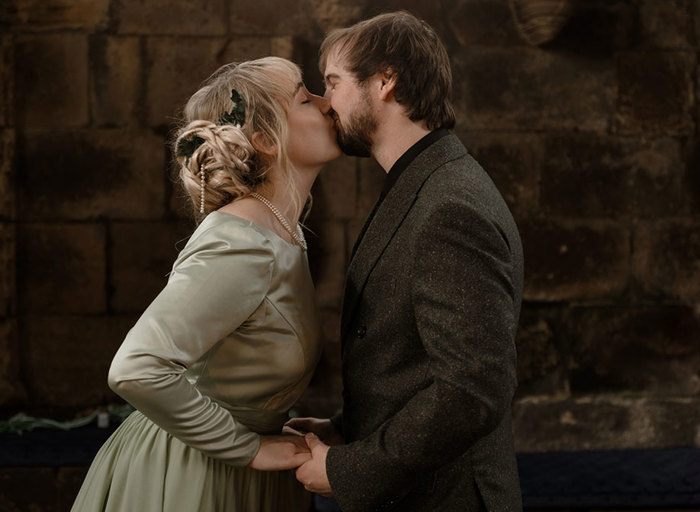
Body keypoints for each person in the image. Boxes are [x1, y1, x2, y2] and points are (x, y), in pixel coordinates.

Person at [71, 56, 340, 512]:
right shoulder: (241, 242)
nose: (327, 101)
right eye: (305, 97)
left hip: (240, 476)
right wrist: (249, 448)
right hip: (192, 479)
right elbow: (136, 367)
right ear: (264, 140)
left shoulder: (281, 232)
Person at [286, 11, 524, 511]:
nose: (326, 104)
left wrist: (351, 467)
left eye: (333, 83)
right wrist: (343, 430)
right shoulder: (425, 182)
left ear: (385, 81)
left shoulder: (449, 206)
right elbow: (409, 362)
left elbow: (470, 391)